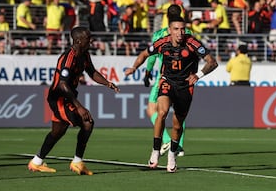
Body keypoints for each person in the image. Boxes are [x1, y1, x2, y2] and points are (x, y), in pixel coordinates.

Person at [125, 16, 218, 173]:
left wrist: (198, 75)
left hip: (185, 86)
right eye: (176, 29)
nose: (180, 33)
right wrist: (134, 68)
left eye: (182, 29)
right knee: (161, 112)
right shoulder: (162, 42)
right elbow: (144, 54)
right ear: (170, 30)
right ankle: (155, 150)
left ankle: (172, 154)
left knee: (177, 124)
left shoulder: (193, 43)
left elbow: (212, 62)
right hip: (167, 82)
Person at [28, 26, 120, 175]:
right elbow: (62, 84)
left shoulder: (84, 55)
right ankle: (77, 162)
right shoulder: (68, 57)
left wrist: (107, 83)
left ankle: (36, 162)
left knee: (57, 132)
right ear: (78, 40)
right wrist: (79, 107)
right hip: (59, 97)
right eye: (88, 38)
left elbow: (92, 72)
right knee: (87, 122)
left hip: (67, 96)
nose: (91, 41)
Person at [143, 5, 192, 158]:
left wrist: (148, 72)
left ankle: (166, 141)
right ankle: (179, 145)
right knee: (179, 113)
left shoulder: (159, 34)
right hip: (184, 76)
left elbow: (151, 56)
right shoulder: (188, 33)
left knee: (152, 110)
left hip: (164, 76)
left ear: (167, 17)